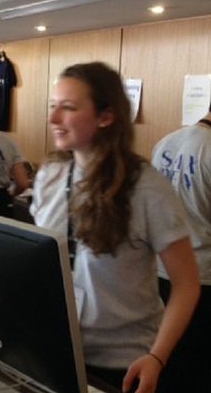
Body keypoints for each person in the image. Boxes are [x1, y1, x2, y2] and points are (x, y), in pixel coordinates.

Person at [30, 62, 199, 393]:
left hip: (124, 367)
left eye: (68, 108)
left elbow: (187, 284)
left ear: (105, 117)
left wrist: (157, 357)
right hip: (57, 352)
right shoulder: (49, 176)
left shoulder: (146, 188)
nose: (53, 119)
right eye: (53, 107)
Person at [150, 103, 211, 392]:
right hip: (201, 278)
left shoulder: (165, 143)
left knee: (166, 360)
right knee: (194, 368)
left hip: (161, 271)